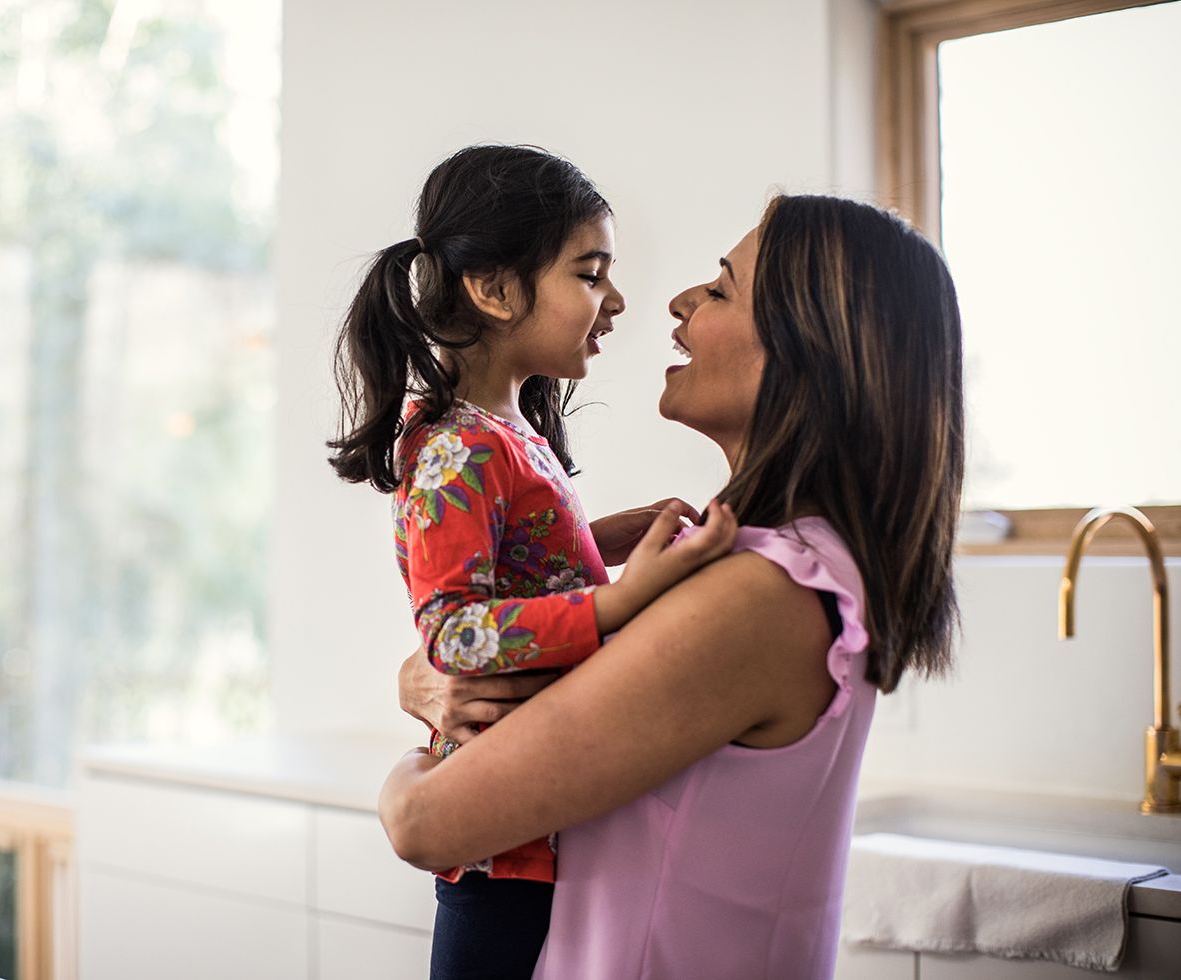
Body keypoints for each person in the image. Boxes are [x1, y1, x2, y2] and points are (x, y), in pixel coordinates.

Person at [381, 194, 965, 979]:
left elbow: (425, 825)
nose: (679, 302)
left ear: (807, 352)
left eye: (721, 290)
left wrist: (406, 771)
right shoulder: (771, 566)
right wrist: (433, 672)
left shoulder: (756, 599)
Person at [327, 144, 738, 979]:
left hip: (537, 818)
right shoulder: (458, 449)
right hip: (502, 846)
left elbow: (528, 569)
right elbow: (453, 634)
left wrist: (617, 534)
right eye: (590, 274)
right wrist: (619, 605)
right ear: (495, 288)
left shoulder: (507, 435)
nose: (617, 301)